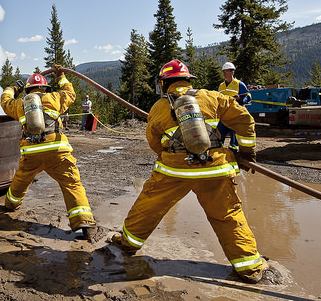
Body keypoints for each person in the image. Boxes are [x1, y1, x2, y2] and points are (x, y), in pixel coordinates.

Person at [110, 59, 266, 283]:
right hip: (215, 169)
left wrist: (168, 154)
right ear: (189, 79)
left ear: (164, 84)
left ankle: (127, 244)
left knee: (148, 206)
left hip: (175, 171)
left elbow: (154, 141)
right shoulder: (211, 97)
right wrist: (247, 151)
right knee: (228, 216)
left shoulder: (159, 107)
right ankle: (250, 268)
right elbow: (244, 119)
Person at [0, 67, 97, 239]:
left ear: (29, 90)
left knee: (21, 180)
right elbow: (69, 92)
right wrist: (61, 76)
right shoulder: (55, 97)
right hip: (58, 152)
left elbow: (5, 102)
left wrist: (13, 89)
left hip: (32, 153)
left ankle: (10, 205)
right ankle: (84, 222)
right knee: (72, 184)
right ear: (45, 88)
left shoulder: (20, 104)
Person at [217, 62, 251, 153]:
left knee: (234, 139)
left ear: (232, 72)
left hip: (235, 116)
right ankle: (218, 154)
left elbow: (248, 96)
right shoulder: (221, 86)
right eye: (223, 71)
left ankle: (234, 155)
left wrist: (240, 99)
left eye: (226, 71)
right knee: (218, 136)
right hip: (224, 116)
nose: (224, 74)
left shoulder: (239, 84)